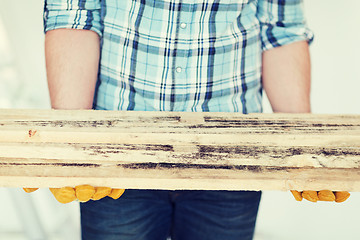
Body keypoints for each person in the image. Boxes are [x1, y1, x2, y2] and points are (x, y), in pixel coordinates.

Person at [38, 0, 316, 239]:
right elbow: (74, 14)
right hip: (115, 153)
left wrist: (304, 146)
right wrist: (74, 141)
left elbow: (280, 28)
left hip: (231, 154)